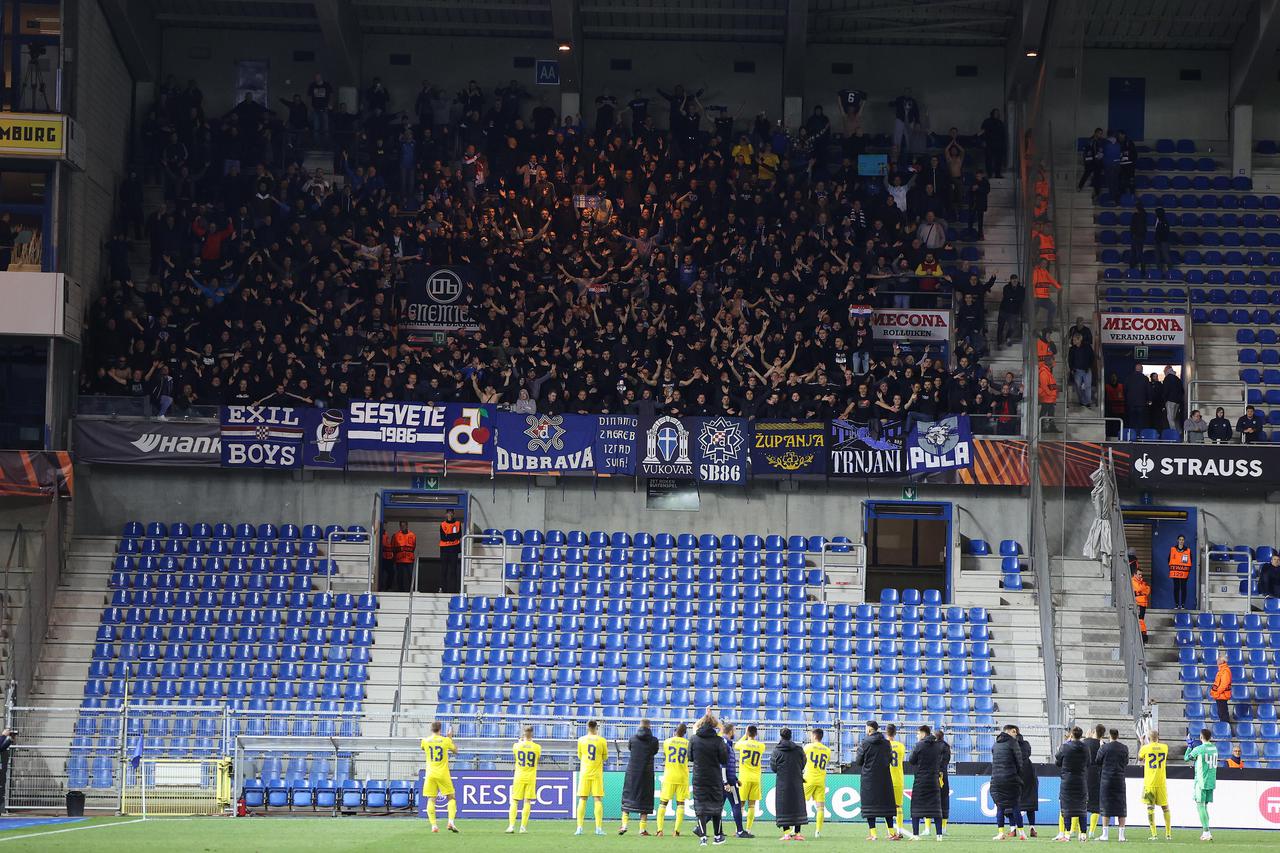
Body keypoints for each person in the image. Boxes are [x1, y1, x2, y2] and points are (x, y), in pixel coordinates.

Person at [689, 712, 729, 847]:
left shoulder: (694, 739)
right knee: (716, 807)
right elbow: (724, 759)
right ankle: (718, 836)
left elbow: (690, 757)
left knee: (700, 807)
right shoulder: (718, 740)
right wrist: (719, 726)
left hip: (699, 778)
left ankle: (703, 837)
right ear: (714, 725)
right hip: (714, 778)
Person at [855, 720, 899, 840]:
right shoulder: (886, 743)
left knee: (869, 806)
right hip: (884, 778)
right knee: (887, 805)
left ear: (869, 729)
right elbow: (889, 759)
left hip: (869, 778)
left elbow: (858, 761)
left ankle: (873, 834)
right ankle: (891, 833)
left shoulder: (865, 742)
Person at [619, 719, 659, 836]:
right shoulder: (654, 741)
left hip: (632, 772)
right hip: (647, 773)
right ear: (650, 727)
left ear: (639, 726)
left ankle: (624, 825)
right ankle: (642, 829)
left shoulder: (632, 739)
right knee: (645, 801)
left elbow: (630, 748)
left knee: (628, 799)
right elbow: (654, 751)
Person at [907, 724, 945, 839]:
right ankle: (939, 835)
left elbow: (911, 760)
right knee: (936, 809)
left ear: (923, 733)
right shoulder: (938, 746)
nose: (917, 735)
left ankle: (915, 834)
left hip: (920, 780)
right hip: (933, 780)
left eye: (918, 733)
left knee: (916, 809)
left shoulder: (919, 745)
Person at [770, 728, 808, 841]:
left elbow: (773, 767)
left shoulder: (776, 751)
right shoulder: (799, 749)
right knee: (798, 805)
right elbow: (803, 762)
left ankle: (786, 833)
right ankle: (797, 833)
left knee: (783, 806)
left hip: (783, 783)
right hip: (797, 781)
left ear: (781, 736)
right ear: (791, 736)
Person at [421, 721, 459, 833]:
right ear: (440, 729)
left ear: (431, 729)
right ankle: (451, 822)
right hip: (443, 773)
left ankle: (434, 826)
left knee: (431, 799)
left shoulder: (425, 741)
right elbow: (455, 750)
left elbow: (423, 748)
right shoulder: (445, 740)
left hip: (430, 774)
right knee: (451, 797)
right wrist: (450, 738)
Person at [990, 724, 1026, 840]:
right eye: (1014, 732)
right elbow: (1019, 762)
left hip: (996, 779)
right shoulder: (1013, 743)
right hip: (1011, 778)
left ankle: (1000, 833)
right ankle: (1021, 833)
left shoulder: (995, 744)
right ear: (1010, 731)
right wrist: (1018, 775)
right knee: (1015, 806)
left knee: (1000, 807)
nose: (1016, 735)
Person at [1054, 726, 1090, 842]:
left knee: (1066, 807)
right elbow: (1088, 763)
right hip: (1081, 780)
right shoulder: (1085, 747)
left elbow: (1057, 761)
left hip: (1067, 781)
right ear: (1081, 735)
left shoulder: (1065, 747)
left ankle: (1067, 834)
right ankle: (1083, 834)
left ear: (1071, 735)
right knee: (1082, 808)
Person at [1095, 728, 1129, 841]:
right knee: (1121, 807)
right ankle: (1121, 836)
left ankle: (1105, 834)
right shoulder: (1124, 748)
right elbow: (1125, 762)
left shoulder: (1104, 747)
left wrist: (1100, 748)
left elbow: (1097, 761)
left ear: (1109, 736)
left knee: (1106, 806)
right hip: (1119, 779)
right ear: (1118, 736)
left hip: (1106, 780)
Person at [1184, 728, 1218, 841]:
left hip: (1201, 781)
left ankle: (1206, 832)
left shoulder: (1199, 749)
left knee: (1200, 806)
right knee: (1205, 806)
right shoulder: (1214, 748)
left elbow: (1186, 758)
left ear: (1201, 737)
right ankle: (1207, 831)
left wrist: (1189, 746)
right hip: (1211, 780)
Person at [656, 723, 690, 837]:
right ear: (685, 733)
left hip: (669, 776)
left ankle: (660, 830)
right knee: (680, 803)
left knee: (663, 803)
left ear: (675, 731)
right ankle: (676, 831)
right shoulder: (688, 743)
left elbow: (666, 754)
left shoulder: (667, 742)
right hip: (682, 777)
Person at [575, 719, 608, 835]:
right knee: (597, 799)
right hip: (597, 774)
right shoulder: (602, 740)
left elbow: (580, 755)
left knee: (582, 799)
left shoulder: (581, 740)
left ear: (587, 727)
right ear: (597, 727)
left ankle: (579, 828)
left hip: (585, 772)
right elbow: (605, 757)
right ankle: (598, 828)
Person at [1138, 729, 1172, 840]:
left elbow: (1140, 758)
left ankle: (1154, 834)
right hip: (1161, 782)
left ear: (1148, 738)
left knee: (1150, 808)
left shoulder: (1145, 748)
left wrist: (1142, 742)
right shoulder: (1165, 747)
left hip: (1149, 783)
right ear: (1158, 737)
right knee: (1165, 807)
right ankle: (1168, 834)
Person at [507, 726, 542, 834]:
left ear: (523, 733)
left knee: (514, 800)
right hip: (531, 777)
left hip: (519, 776)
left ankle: (511, 826)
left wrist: (521, 741)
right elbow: (538, 758)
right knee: (527, 801)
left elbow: (515, 756)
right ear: (532, 734)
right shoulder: (537, 747)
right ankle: (523, 827)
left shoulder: (516, 746)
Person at [720, 721, 750, 838]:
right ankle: (740, 831)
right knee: (736, 804)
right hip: (728, 782)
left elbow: (727, 765)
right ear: (731, 731)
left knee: (718, 806)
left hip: (728, 780)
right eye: (734, 730)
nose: (735, 733)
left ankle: (700, 826)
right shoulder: (725, 745)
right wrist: (726, 782)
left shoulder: (726, 744)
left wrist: (736, 778)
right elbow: (722, 765)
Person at [736, 725, 765, 836]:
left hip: (744, 778)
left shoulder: (742, 744)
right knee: (752, 805)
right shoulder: (761, 746)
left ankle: (739, 829)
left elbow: (736, 745)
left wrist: (745, 735)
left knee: (741, 804)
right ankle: (748, 829)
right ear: (756, 734)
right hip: (756, 778)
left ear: (748, 733)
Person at [803, 728, 833, 839]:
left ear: (815, 736)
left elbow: (802, 760)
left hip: (808, 779)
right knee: (820, 807)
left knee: (800, 804)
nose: (810, 737)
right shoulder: (827, 750)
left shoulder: (808, 747)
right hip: (821, 780)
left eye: (811, 735)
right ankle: (818, 832)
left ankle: (795, 829)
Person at [1016, 726, 1039, 836]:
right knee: (1030, 804)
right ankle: (1032, 827)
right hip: (1030, 773)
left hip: (1017, 774)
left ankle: (1014, 828)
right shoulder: (1026, 744)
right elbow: (1028, 753)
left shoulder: (1011, 745)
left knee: (1014, 804)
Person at [1084, 723, 1105, 838]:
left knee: (1080, 803)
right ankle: (1092, 831)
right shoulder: (1104, 745)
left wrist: (1087, 738)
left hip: (1084, 774)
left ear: (1094, 732)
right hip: (1098, 776)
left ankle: (1073, 830)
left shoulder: (1085, 742)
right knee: (1096, 805)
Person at [886, 723, 908, 833]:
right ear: (895, 733)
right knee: (898, 806)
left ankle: (891, 832)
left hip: (886, 780)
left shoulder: (884, 745)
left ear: (886, 732)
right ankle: (899, 830)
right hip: (898, 779)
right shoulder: (901, 746)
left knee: (887, 807)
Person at [1123, 364, 1151, 433]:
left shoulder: (1128, 378)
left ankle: (1131, 435)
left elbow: (1125, 389)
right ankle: (1139, 435)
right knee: (1140, 421)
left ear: (1135, 369)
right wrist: (1149, 400)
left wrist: (1127, 399)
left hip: (1131, 403)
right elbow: (1148, 390)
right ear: (1141, 369)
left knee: (1131, 421)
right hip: (1141, 403)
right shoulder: (1145, 378)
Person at [934, 726, 952, 836]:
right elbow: (947, 760)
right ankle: (944, 828)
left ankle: (927, 828)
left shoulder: (932, 746)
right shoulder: (946, 746)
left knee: (930, 800)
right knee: (944, 800)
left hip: (933, 775)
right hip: (943, 775)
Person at [439, 509, 462, 592]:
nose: (450, 515)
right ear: (446, 514)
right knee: (444, 570)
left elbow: (459, 535)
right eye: (448, 513)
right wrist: (453, 536)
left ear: (453, 514)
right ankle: (443, 589)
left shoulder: (458, 523)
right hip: (444, 549)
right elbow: (443, 538)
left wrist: (448, 536)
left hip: (454, 549)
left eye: (451, 513)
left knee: (453, 570)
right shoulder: (442, 524)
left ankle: (453, 589)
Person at [1209, 653, 1233, 733]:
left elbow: (1223, 685)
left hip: (1222, 696)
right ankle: (1224, 730)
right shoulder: (1222, 670)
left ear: (1222, 661)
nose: (1217, 660)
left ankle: (1226, 731)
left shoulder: (1225, 671)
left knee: (1223, 714)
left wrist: (1217, 693)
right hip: (1220, 696)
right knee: (1221, 713)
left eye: (1219, 659)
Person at [1078, 128, 1105, 196]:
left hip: (1097, 163)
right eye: (1099, 133)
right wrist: (1086, 161)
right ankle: (1079, 187)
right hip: (1090, 162)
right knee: (1086, 175)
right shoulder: (1090, 141)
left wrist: (1100, 158)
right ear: (1095, 133)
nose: (1101, 135)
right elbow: (1086, 152)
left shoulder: (1100, 142)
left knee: (1097, 178)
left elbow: (1100, 151)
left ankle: (1097, 192)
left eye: (1101, 134)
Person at [1169, 533, 1192, 610]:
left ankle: (1182, 605)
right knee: (1176, 588)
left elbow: (1190, 561)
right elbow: (1169, 560)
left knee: (1183, 588)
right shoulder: (1173, 549)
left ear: (1184, 541)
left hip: (1184, 573)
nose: (1181, 541)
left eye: (1182, 540)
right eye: (1180, 539)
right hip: (1175, 572)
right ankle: (1176, 604)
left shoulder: (1188, 550)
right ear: (1177, 540)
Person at [392, 520, 416, 593]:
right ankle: (400, 590)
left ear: (407, 526)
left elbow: (414, 546)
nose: (403, 527)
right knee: (400, 576)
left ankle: (411, 590)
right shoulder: (395, 535)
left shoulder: (412, 535)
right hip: (400, 559)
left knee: (411, 576)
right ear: (399, 526)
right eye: (401, 526)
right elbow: (393, 547)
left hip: (409, 559)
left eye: (404, 525)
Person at [1131, 556, 1150, 643]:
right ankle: (1143, 635)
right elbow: (1138, 590)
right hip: (1137, 603)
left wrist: (1140, 591)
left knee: (1141, 619)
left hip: (1143, 604)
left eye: (1141, 575)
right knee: (1140, 620)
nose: (1140, 576)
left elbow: (1147, 590)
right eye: (1139, 574)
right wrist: (1141, 591)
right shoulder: (1132, 582)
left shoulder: (1142, 583)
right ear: (1135, 574)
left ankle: (1142, 635)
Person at [1153, 207, 1174, 278]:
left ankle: (1171, 272)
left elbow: (1165, 232)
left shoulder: (1165, 222)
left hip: (1164, 241)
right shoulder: (1157, 221)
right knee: (1157, 258)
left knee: (1166, 257)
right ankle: (1159, 273)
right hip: (1157, 241)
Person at [1163, 366, 1184, 432]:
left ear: (1167, 370)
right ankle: (1179, 431)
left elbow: (1165, 390)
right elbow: (1182, 390)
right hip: (1177, 401)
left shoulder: (1167, 378)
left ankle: (1173, 432)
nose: (1164, 372)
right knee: (1174, 418)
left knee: (1170, 418)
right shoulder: (1177, 379)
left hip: (1170, 400)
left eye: (1164, 371)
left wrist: (1164, 400)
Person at [1130, 201, 1148, 272]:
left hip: (1137, 236)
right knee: (1138, 252)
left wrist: (1134, 233)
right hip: (1141, 236)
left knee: (1137, 252)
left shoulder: (1137, 216)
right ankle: (1140, 267)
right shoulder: (1144, 215)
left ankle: (1135, 267)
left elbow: (1135, 227)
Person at [378, 523, 395, 592]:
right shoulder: (380, 535)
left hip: (389, 558)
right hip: (382, 558)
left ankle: (388, 587)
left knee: (391, 573)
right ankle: (382, 587)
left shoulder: (386, 534)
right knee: (381, 573)